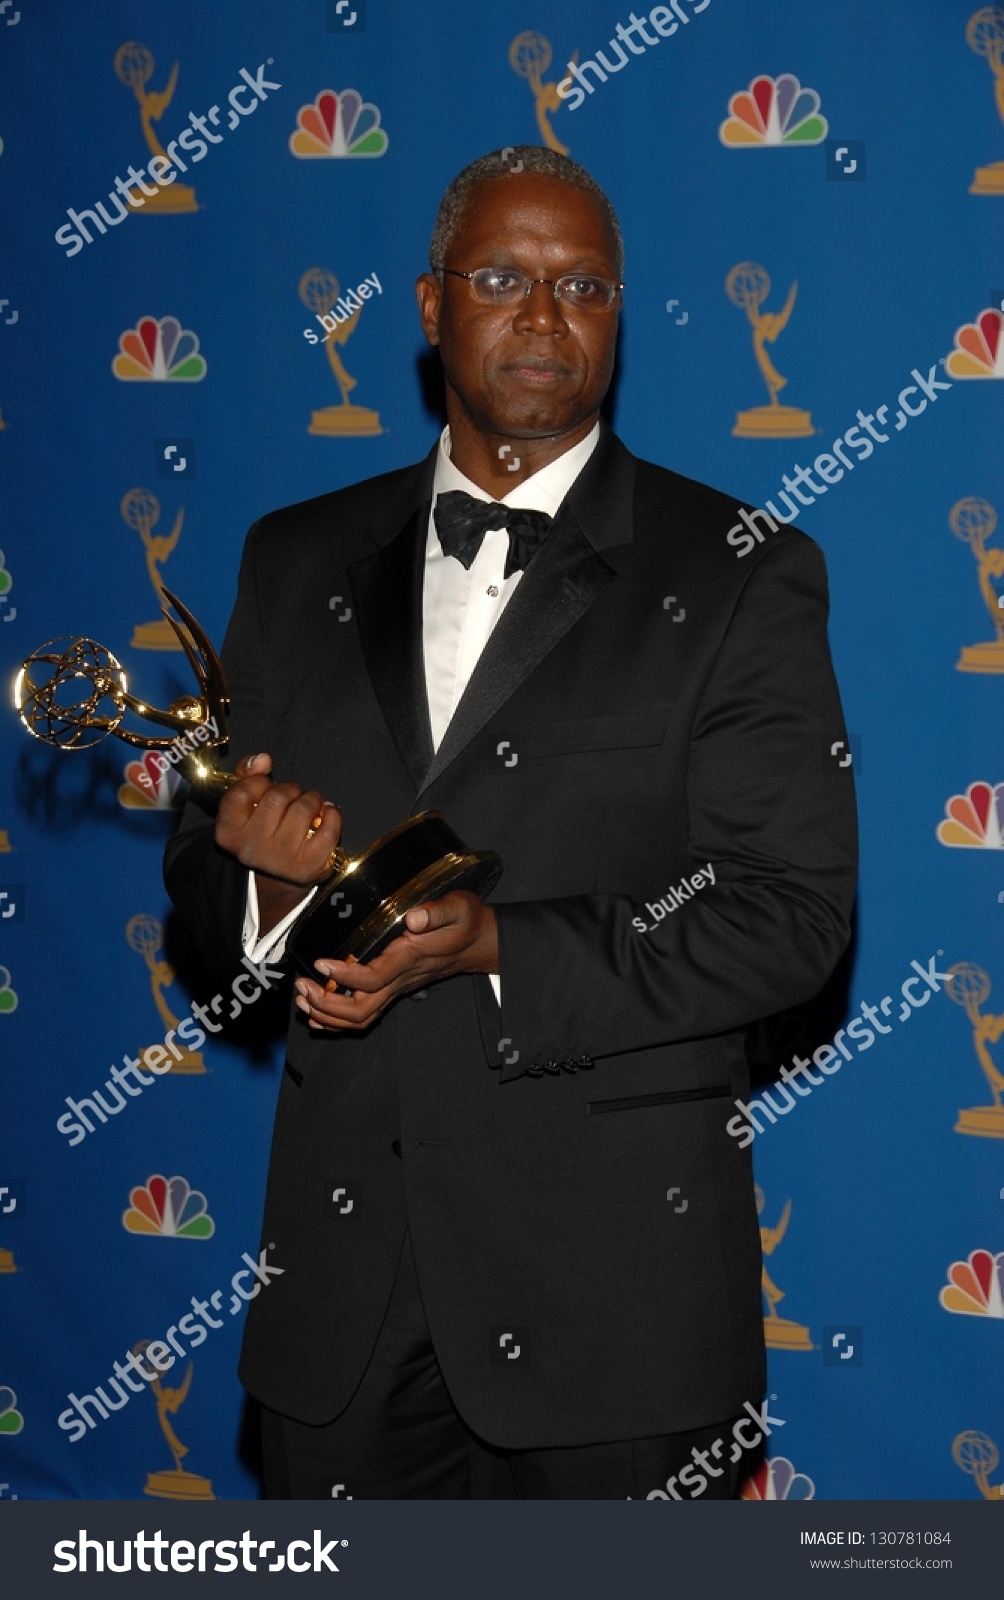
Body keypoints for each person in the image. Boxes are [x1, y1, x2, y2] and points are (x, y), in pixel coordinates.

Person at [163, 145, 857, 1500]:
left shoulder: (740, 569)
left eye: (582, 285)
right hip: (343, 1315)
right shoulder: (292, 557)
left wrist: (493, 948)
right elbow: (205, 883)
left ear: (619, 314)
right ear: (428, 307)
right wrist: (264, 890)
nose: (544, 316)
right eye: (501, 278)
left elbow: (792, 916)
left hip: (619, 1316)